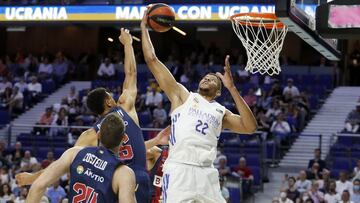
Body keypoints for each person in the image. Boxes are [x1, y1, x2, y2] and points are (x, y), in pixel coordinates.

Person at [17, 28, 167, 203]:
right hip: (136, 179)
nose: (114, 97)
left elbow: (61, 166)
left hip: (109, 182)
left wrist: (31, 178)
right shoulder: (125, 108)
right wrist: (128, 44)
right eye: (111, 96)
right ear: (109, 102)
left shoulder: (88, 135)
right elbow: (131, 73)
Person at [141, 9, 257, 203]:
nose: (207, 78)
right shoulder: (183, 96)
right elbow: (152, 60)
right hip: (179, 169)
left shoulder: (221, 112)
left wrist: (232, 88)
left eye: (213, 79)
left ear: (219, 91)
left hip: (206, 173)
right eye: (205, 76)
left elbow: (250, 127)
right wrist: (144, 28)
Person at [26, 113, 137, 203]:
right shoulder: (123, 173)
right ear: (123, 139)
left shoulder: (74, 153)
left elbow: (38, 185)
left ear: (98, 135)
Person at [146, 127, 170, 203]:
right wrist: (156, 141)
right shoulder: (158, 152)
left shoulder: (186, 157)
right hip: (155, 199)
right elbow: (136, 151)